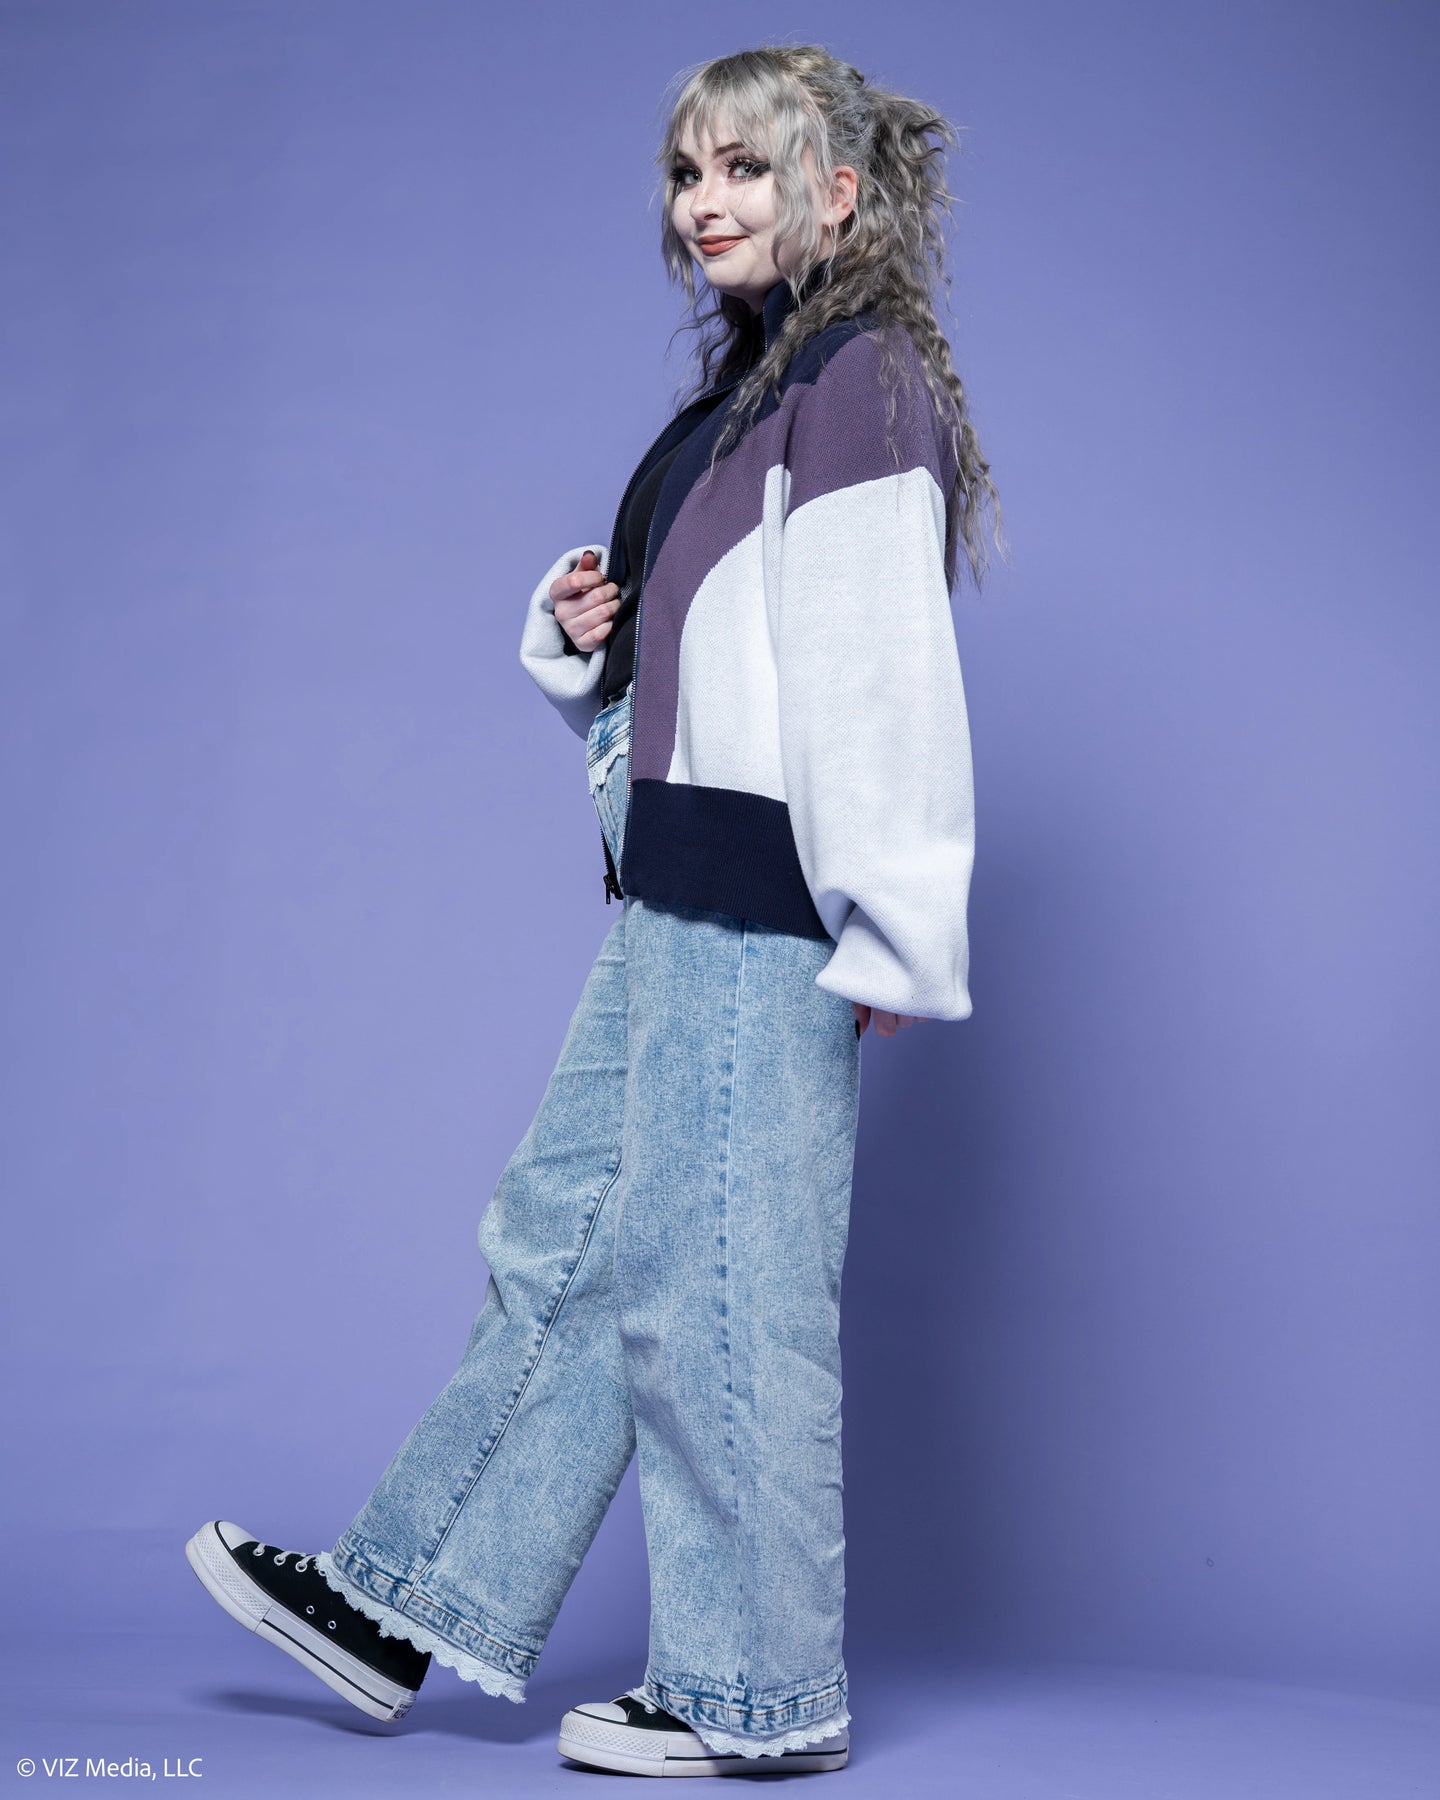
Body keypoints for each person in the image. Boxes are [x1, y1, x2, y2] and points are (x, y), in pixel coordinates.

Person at [185, 42, 1002, 1779]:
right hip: (679, 881)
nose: (707, 201)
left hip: (764, 906)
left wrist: (894, 927)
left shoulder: (856, 382)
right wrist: (587, 645)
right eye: (690, 171)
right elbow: (725, 674)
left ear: (837, 193)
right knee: (565, 1244)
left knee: (722, 1293)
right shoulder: (752, 388)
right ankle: (404, 1598)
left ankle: (755, 1695)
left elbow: (877, 674)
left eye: (748, 169)